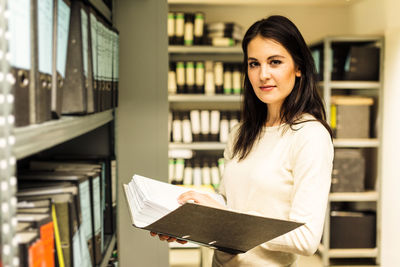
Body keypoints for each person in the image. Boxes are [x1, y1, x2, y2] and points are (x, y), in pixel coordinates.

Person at [152, 15, 334, 267]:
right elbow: (228, 201)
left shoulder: (310, 136)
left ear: (299, 67)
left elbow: (306, 239)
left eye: (275, 62)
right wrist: (188, 221)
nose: (263, 74)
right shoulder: (241, 132)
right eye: (254, 64)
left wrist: (226, 217)